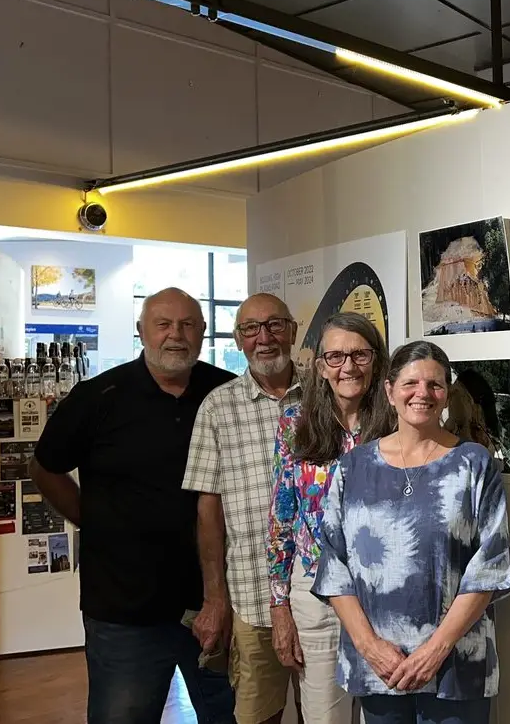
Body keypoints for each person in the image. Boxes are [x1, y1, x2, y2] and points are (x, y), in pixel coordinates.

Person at [31, 287, 236, 724]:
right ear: (142, 331)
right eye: (163, 325)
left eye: (186, 325)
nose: (175, 335)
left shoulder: (226, 394)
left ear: (202, 332)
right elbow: (44, 467)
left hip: (216, 604)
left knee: (234, 716)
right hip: (124, 610)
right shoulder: (98, 397)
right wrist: (92, 519)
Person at [311, 340, 510, 724]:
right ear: (389, 391)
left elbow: (490, 567)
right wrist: (369, 647)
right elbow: (334, 566)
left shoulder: (473, 464)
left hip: (456, 666)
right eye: (411, 383)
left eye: (435, 385)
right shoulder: (354, 467)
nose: (423, 393)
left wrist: (437, 650)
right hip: (379, 669)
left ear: (447, 394)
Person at [182, 293, 303, 724]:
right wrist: (215, 598)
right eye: (251, 329)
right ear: (238, 339)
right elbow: (207, 511)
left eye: (274, 325)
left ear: (292, 330)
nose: (264, 338)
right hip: (251, 596)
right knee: (257, 715)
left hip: (320, 595)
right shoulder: (217, 407)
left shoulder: (325, 398)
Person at [266, 313, 392, 724]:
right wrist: (279, 603)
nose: (348, 367)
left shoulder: (397, 421)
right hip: (316, 588)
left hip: (385, 590)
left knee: (385, 710)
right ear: (320, 365)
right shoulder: (295, 423)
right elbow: (283, 514)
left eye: (359, 354)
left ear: (376, 361)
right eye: (335, 356)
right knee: (324, 715)